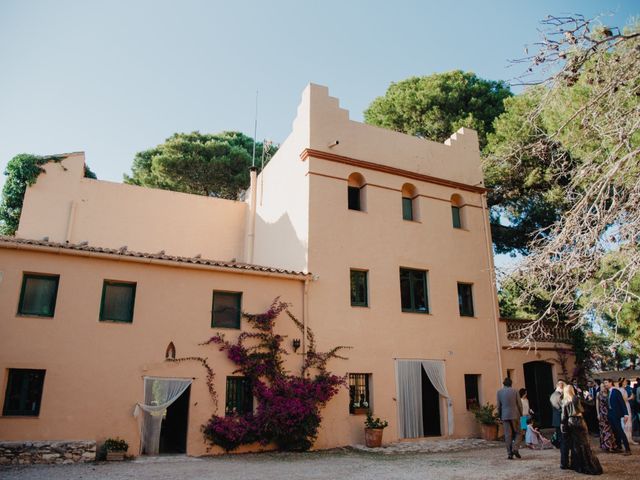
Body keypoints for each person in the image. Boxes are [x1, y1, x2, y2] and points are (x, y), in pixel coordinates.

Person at [561, 384, 603, 475]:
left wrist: (563, 427)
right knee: (584, 443)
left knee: (576, 445)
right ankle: (588, 464)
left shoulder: (565, 401)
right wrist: (586, 395)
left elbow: (564, 416)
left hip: (571, 422)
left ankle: (579, 465)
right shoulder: (576, 398)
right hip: (580, 421)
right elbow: (589, 404)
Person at [603, 378, 631, 455]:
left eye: (606, 383)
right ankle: (619, 447)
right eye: (604, 383)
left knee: (620, 431)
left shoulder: (616, 391)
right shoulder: (609, 392)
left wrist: (626, 414)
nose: (605, 384)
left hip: (616, 414)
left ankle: (628, 449)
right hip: (610, 414)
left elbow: (622, 403)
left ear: (611, 383)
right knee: (615, 431)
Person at [497, 377, 523, 460]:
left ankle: (509, 454)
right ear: (511, 384)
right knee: (519, 432)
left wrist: (500, 416)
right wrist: (521, 414)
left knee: (508, 435)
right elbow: (519, 404)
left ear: (503, 384)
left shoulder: (499, 392)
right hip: (515, 414)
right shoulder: (515, 391)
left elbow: (498, 406)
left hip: (505, 415)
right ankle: (515, 448)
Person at [551, 380, 571, 469]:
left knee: (564, 441)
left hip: (561, 420)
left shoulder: (559, 395)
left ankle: (565, 461)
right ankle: (564, 462)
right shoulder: (555, 395)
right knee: (563, 441)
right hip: (560, 420)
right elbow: (559, 407)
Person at [596, 381, 618, 452]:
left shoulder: (609, 393)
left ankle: (611, 445)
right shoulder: (598, 394)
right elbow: (597, 405)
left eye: (604, 386)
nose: (603, 387)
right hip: (602, 414)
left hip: (609, 413)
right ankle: (606, 446)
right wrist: (598, 414)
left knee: (610, 430)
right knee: (604, 430)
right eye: (602, 386)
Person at [618, 378, 637, 445]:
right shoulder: (621, 390)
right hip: (625, 406)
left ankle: (629, 438)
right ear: (622, 382)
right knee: (626, 423)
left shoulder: (623, 389)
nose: (626, 382)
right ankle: (626, 438)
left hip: (627, 405)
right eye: (625, 381)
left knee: (628, 423)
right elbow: (623, 400)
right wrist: (630, 397)